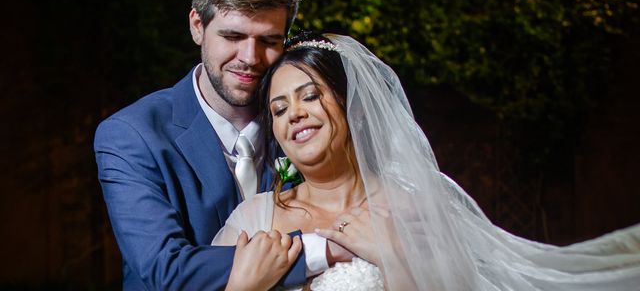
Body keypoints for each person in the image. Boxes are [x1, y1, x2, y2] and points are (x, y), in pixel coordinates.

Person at [213, 31, 640, 290]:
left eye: (310, 97)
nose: (296, 116)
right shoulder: (254, 219)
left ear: (349, 106)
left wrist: (391, 255)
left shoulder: (415, 205)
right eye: (280, 109)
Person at [94, 0, 347, 291]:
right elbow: (165, 268)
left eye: (269, 41)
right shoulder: (131, 135)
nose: (250, 57)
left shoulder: (306, 124)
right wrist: (325, 248)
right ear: (198, 25)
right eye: (233, 35)